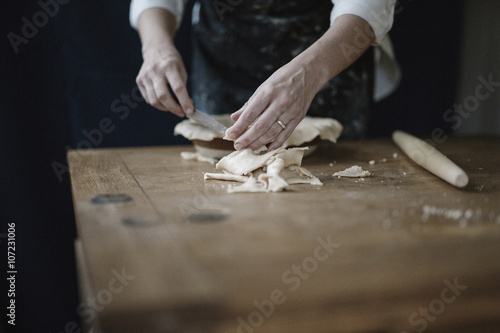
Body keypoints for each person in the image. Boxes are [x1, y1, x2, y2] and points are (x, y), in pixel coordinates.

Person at [130, 0, 400, 151]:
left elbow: (369, 5)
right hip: (223, 54)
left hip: (329, 55)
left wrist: (311, 72)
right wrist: (156, 47)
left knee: (331, 175)